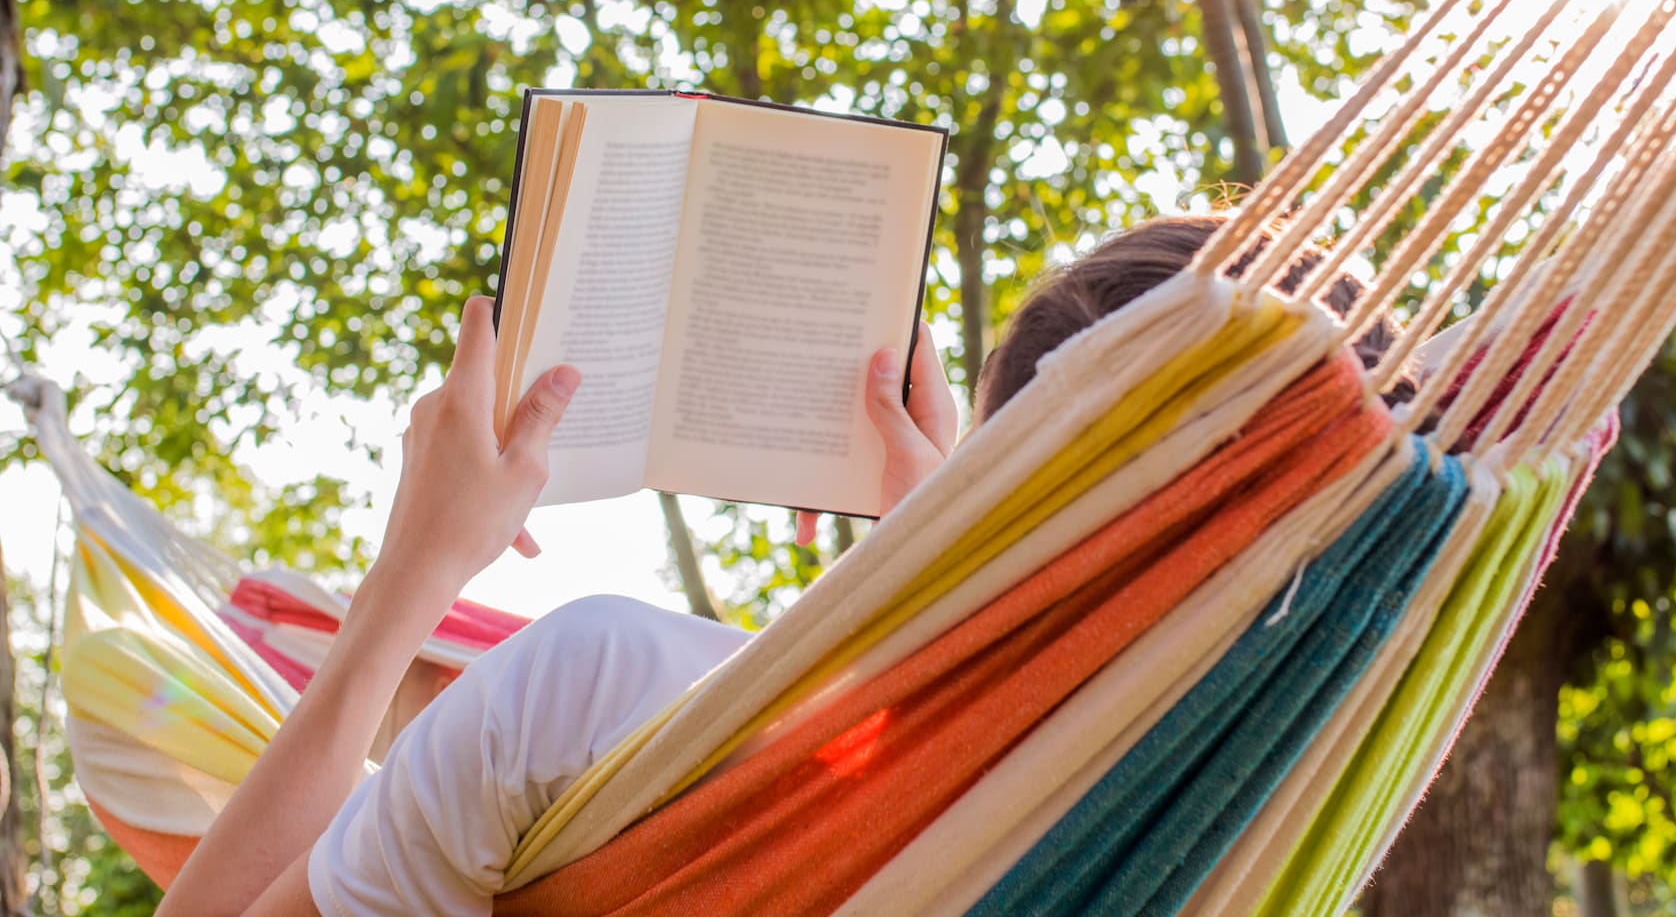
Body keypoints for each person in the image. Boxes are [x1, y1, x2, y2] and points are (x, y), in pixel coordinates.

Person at [160, 214, 1401, 917]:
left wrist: (406, 586)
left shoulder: (611, 701)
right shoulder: (1260, 836)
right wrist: (937, 576)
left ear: (1004, 470)